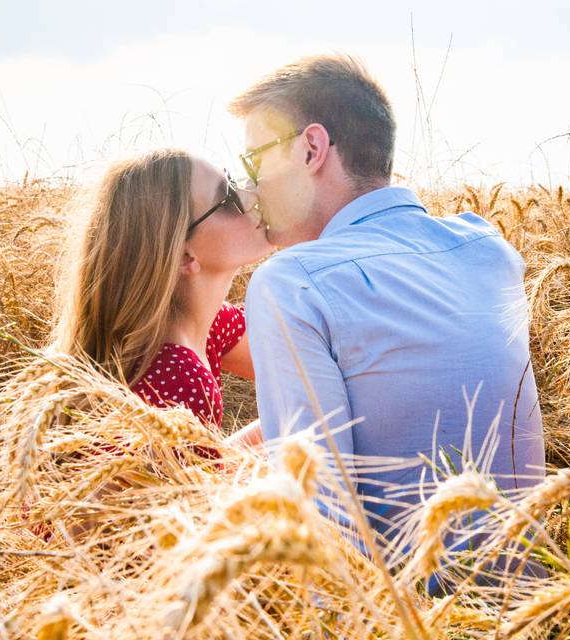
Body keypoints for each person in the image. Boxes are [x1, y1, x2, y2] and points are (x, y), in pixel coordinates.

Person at [228, 55, 546, 545]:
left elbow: (320, 521)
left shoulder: (293, 283)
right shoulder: (489, 251)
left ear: (311, 148)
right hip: (532, 601)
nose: (251, 187)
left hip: (404, 613)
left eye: (256, 160)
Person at [52, 149, 271, 430]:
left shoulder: (209, 326)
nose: (252, 197)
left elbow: (309, 373)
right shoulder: (180, 382)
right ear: (182, 256)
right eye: (228, 198)